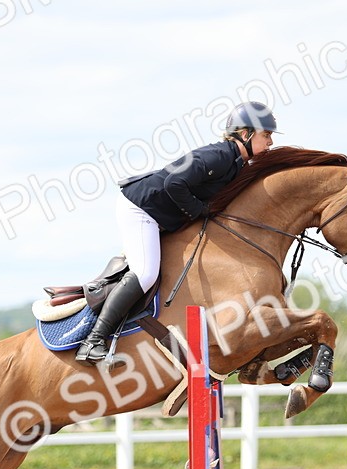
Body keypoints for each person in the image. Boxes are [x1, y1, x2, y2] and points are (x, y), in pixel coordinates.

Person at [75, 101, 279, 363]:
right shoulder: (219, 156)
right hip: (141, 208)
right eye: (267, 135)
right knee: (146, 273)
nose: (271, 142)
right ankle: (93, 341)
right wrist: (200, 210)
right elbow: (175, 183)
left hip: (160, 213)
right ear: (245, 134)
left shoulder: (236, 164)